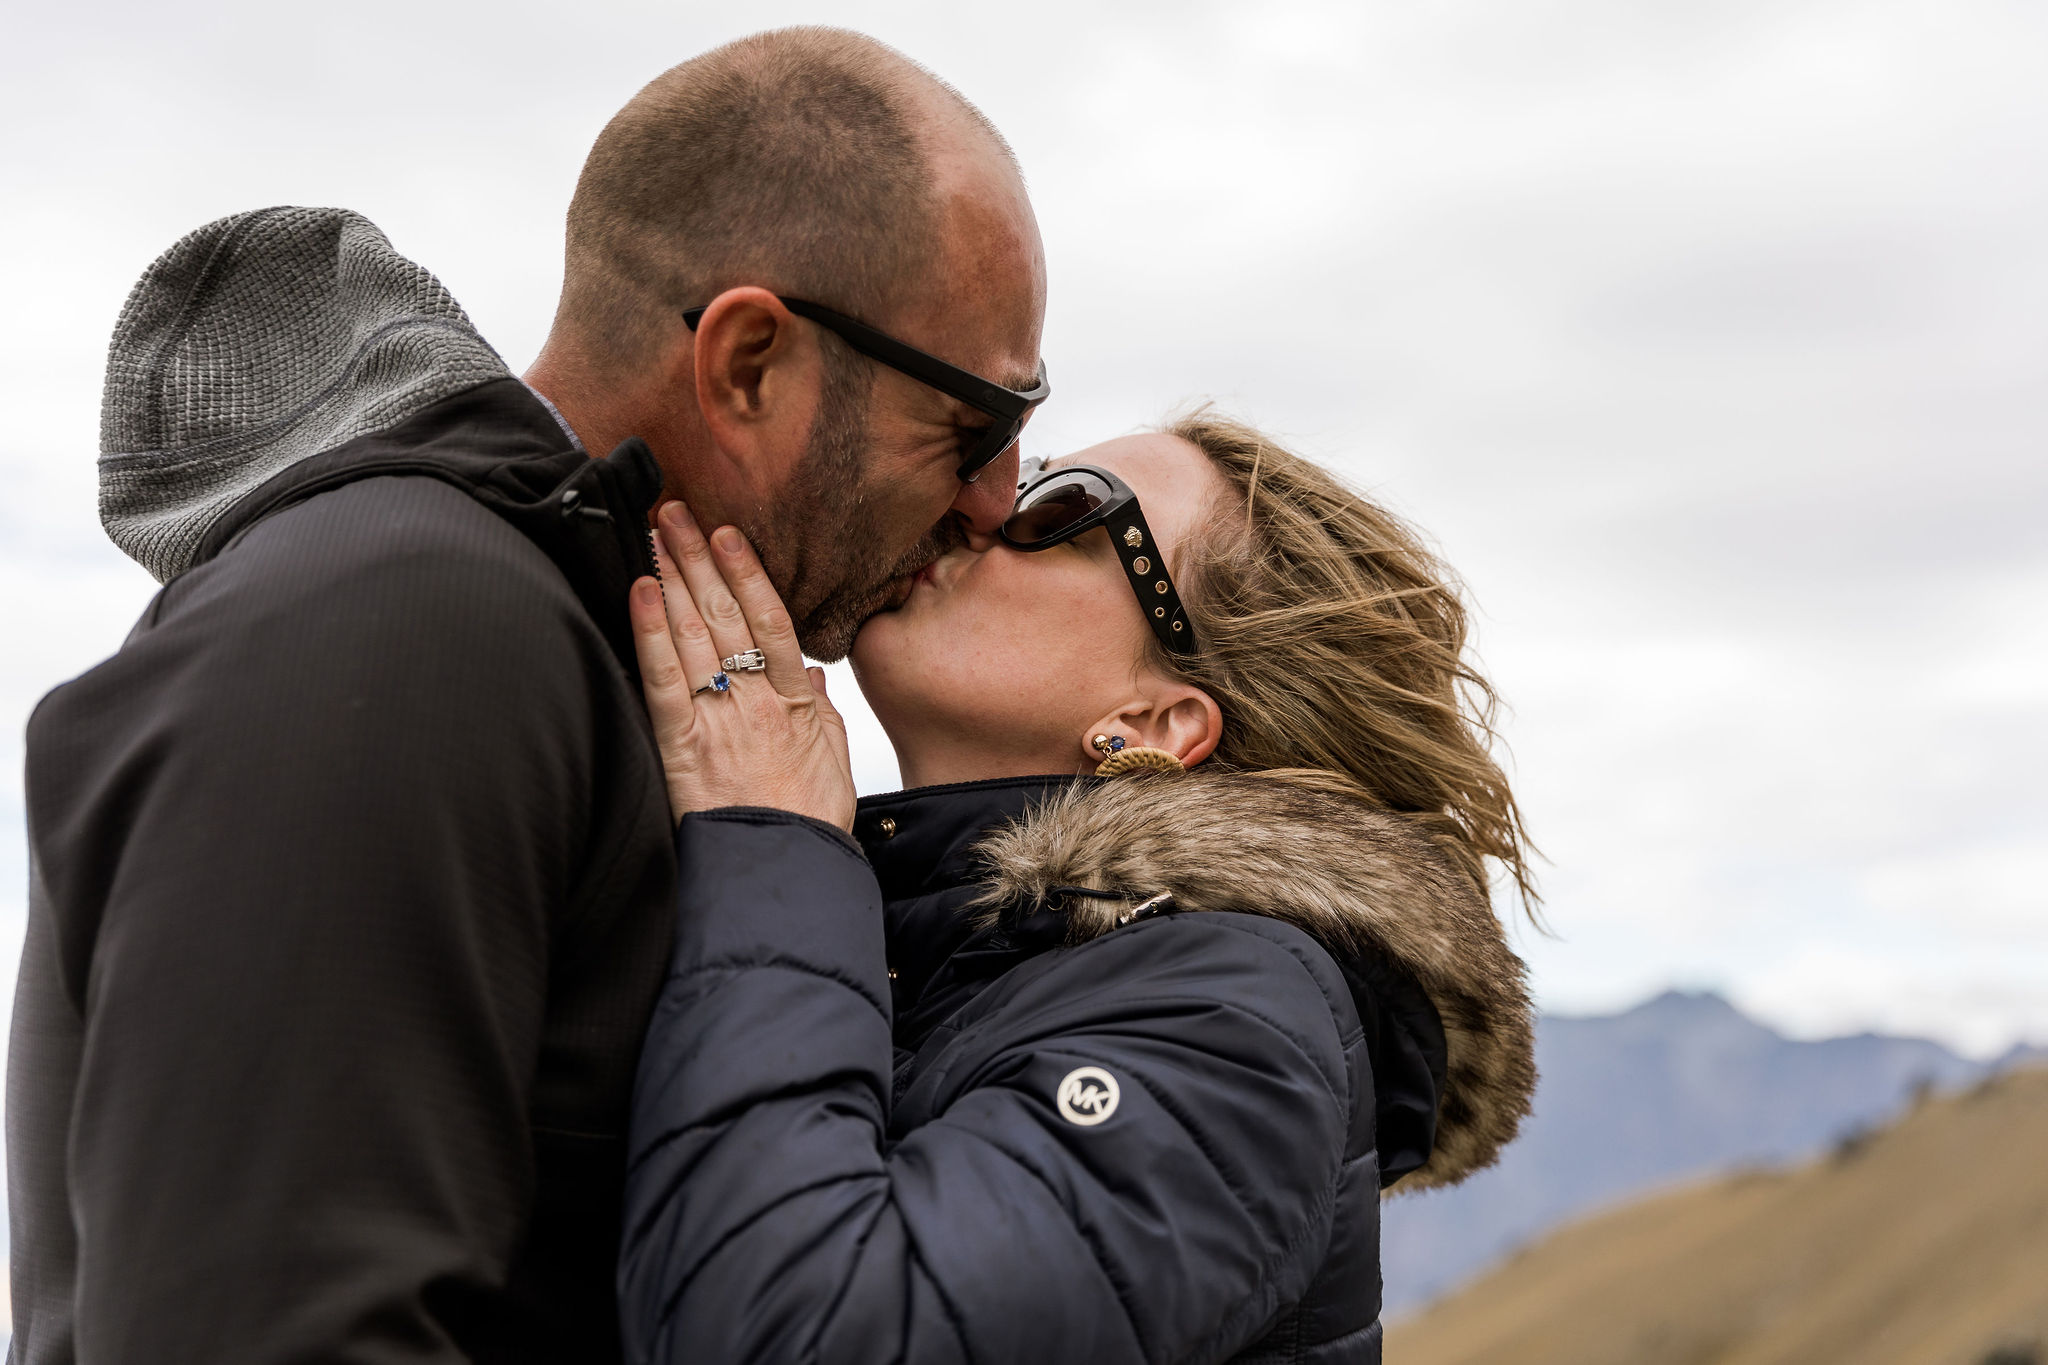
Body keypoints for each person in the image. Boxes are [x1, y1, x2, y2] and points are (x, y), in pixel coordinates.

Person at [8, 29, 1044, 1364]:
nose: (997, 501)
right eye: (977, 426)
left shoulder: (557, 646)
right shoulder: (410, 628)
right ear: (747, 363)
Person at [617, 411, 1541, 1363]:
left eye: (1057, 508)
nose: (974, 507)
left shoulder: (1239, 1025)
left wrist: (781, 849)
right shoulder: (936, 955)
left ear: (1157, 723)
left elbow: (797, 1333)